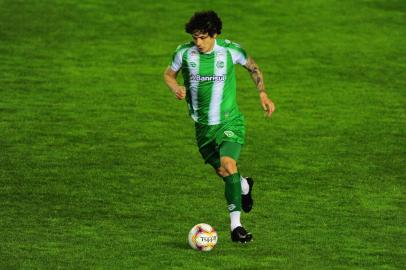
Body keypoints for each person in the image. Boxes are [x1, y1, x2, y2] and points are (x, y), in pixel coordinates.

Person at [163, 10, 275, 243]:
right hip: (202, 127)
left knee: (228, 163)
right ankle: (244, 186)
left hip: (229, 120)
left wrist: (263, 94)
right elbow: (169, 75)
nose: (198, 42)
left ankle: (236, 227)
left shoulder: (230, 50)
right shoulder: (183, 53)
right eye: (195, 37)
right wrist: (175, 88)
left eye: (203, 37)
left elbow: (253, 67)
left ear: (214, 34)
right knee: (224, 173)